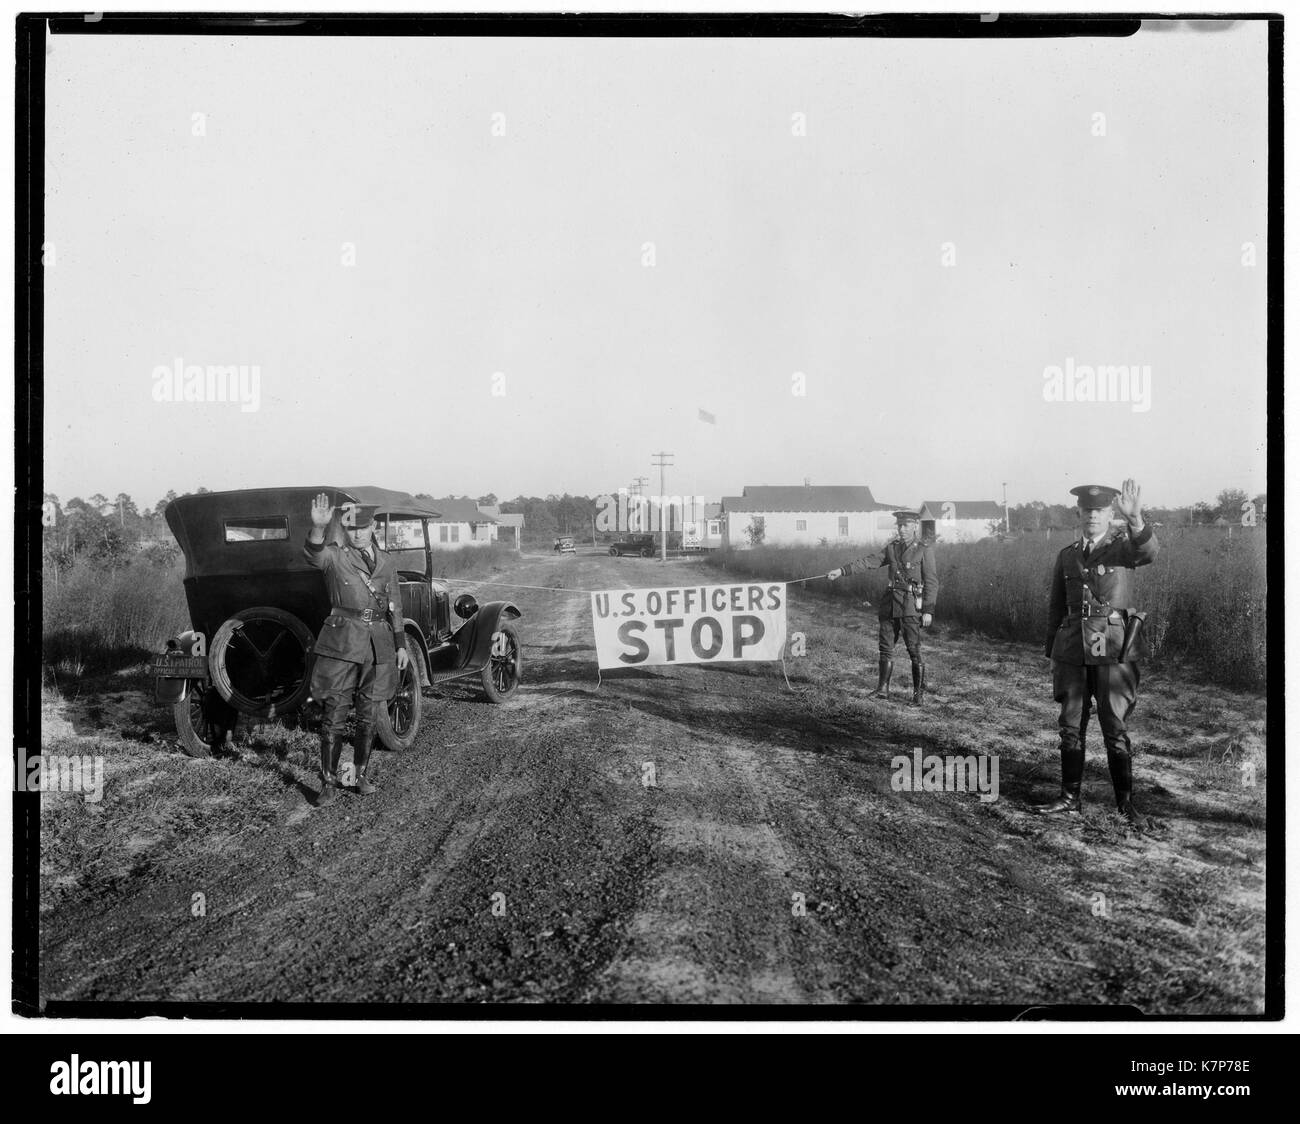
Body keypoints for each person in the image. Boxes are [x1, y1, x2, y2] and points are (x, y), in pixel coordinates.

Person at [1030, 480, 1159, 828]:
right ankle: (1070, 798)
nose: (1092, 516)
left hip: (1113, 648)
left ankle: (1125, 804)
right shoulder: (1067, 555)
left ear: (1109, 514)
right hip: (1072, 649)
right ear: (1079, 513)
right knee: (1070, 726)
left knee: (1114, 726)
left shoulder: (1121, 549)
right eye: (1087, 511)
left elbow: (1148, 553)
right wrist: (1052, 650)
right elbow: (1056, 606)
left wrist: (1136, 519)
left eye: (1100, 511)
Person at [303, 494, 410, 806]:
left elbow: (396, 607)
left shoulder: (387, 561)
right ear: (345, 531)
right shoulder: (335, 557)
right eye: (351, 529)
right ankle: (328, 783)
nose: (358, 534)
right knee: (334, 715)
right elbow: (314, 555)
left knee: (368, 716)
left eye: (363, 528)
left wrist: (401, 645)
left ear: (372, 526)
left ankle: (360, 775)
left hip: (378, 646)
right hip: (342, 645)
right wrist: (317, 528)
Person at [828, 510, 938, 704]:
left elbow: (932, 582)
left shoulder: (923, 549)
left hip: (911, 606)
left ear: (914, 526)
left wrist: (928, 610)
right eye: (899, 525)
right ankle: (882, 690)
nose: (901, 529)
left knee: (913, 649)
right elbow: (869, 561)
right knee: (885, 648)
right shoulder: (892, 548)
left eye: (905, 525)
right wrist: (841, 571)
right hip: (889, 606)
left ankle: (917, 695)